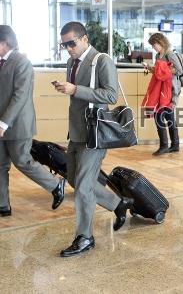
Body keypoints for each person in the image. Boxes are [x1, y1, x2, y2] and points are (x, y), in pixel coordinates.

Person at [54, 22, 132, 257]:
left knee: (84, 187)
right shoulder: (71, 62)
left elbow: (110, 94)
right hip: (77, 132)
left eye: (71, 43)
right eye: (64, 44)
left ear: (84, 39)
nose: (68, 49)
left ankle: (85, 237)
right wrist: (68, 89)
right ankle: (119, 204)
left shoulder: (102, 60)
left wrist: (75, 89)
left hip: (95, 134)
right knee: (76, 182)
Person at [0, 25, 66, 217]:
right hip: (1, 122)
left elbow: (20, 96)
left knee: (22, 161)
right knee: (0, 165)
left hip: (18, 124)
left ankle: (55, 185)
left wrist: (4, 123)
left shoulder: (21, 62)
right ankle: (3, 205)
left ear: (5, 43)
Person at [146, 33, 182, 155]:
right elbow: (158, 74)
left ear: (160, 42)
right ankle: (174, 145)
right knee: (167, 117)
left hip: (169, 92)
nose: (153, 47)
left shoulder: (169, 54)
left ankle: (165, 146)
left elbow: (179, 71)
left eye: (154, 44)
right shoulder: (158, 55)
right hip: (159, 91)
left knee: (161, 117)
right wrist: (150, 69)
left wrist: (163, 70)